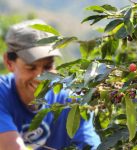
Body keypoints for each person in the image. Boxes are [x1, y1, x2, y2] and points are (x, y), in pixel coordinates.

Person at [0, 19, 101, 150]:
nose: (40, 78)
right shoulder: (2, 94)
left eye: (48, 67)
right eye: (30, 67)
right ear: (9, 62)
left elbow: (89, 144)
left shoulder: (72, 100)